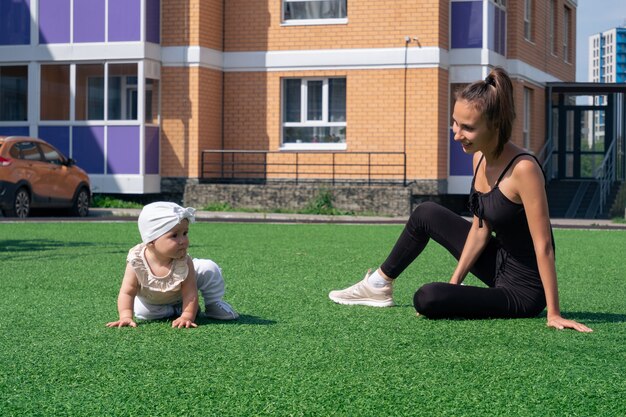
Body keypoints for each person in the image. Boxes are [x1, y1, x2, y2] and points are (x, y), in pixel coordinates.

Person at [329, 67, 592, 333]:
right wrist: (455, 282)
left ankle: (468, 296)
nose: (457, 134)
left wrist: (554, 313)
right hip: (497, 264)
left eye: (468, 127)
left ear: (496, 124)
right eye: (456, 122)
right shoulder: (479, 157)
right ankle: (378, 285)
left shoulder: (524, 169)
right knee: (426, 212)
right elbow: (480, 231)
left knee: (427, 298)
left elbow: (544, 245)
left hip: (523, 291)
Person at [106, 201, 239, 329]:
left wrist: (187, 316)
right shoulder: (137, 262)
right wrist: (125, 316)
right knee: (143, 313)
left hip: (180, 295)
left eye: (185, 233)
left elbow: (190, 293)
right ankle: (174, 310)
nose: (183, 240)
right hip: (152, 300)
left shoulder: (184, 262)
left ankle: (213, 304)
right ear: (151, 240)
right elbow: (127, 292)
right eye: (174, 235)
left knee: (208, 268)